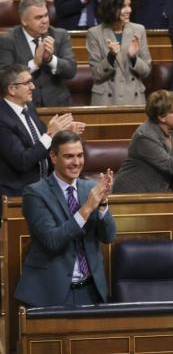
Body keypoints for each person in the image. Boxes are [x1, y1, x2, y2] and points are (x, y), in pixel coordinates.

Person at [15, 131, 115, 307]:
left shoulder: (91, 188)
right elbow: (52, 241)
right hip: (51, 293)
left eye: (80, 155)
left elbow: (108, 237)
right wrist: (86, 208)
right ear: (53, 157)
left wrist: (102, 204)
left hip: (91, 291)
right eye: (69, 156)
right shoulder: (35, 193)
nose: (76, 162)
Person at [0, 64, 82, 197]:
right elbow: (22, 161)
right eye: (27, 83)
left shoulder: (29, 108)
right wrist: (50, 134)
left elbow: (43, 145)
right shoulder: (2, 119)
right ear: (12, 89)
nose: (33, 87)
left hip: (44, 188)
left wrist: (61, 133)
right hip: (19, 194)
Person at [0, 0, 77, 107]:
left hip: (58, 105)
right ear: (24, 21)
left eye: (46, 15)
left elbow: (71, 71)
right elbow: (4, 78)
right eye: (38, 17)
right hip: (24, 105)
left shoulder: (60, 35)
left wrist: (50, 59)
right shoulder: (8, 40)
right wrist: (34, 63)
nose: (45, 21)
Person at [86, 0, 151, 105]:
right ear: (111, 8)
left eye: (129, 5)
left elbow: (146, 72)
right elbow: (97, 74)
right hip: (106, 100)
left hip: (134, 99)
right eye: (123, 6)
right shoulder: (94, 33)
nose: (129, 10)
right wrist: (110, 57)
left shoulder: (139, 30)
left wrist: (134, 58)